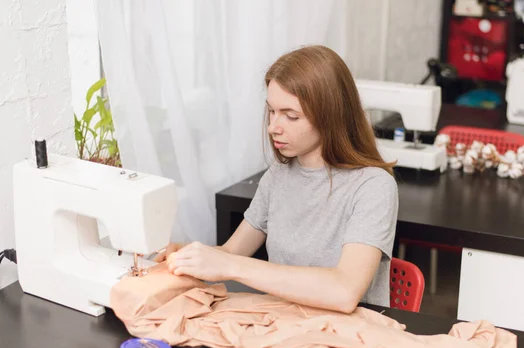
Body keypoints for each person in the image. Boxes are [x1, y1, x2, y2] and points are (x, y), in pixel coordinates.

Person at [155, 45, 399, 313]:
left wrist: (232, 267)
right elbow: (231, 253)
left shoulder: (373, 187)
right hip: (285, 322)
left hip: (350, 336)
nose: (273, 127)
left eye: (291, 116)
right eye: (271, 111)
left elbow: (344, 291)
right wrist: (187, 253)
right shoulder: (277, 177)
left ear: (331, 116)